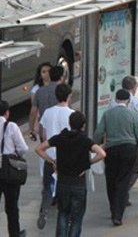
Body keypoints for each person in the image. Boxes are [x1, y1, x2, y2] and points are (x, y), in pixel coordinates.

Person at [35, 111, 106, 237]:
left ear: (69, 123)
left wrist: (52, 161)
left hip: (63, 183)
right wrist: (88, 163)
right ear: (83, 125)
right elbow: (101, 153)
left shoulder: (60, 137)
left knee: (63, 214)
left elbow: (39, 148)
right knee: (76, 218)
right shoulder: (85, 140)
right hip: (78, 183)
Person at [94, 89, 138, 226]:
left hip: (111, 150)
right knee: (123, 181)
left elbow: (98, 132)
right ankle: (118, 215)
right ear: (128, 101)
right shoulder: (132, 114)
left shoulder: (107, 114)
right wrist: (135, 145)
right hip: (128, 150)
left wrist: (97, 144)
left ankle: (113, 209)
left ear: (116, 100)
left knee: (111, 180)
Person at [110, 75, 138, 206]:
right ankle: (122, 191)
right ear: (134, 88)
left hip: (114, 140)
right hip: (132, 142)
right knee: (134, 169)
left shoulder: (113, 102)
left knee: (119, 169)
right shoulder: (136, 102)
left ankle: (123, 195)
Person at [37, 83, 75, 230]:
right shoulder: (72, 114)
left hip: (50, 157)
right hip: (65, 158)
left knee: (47, 186)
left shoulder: (47, 112)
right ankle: (64, 215)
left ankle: (44, 210)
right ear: (69, 96)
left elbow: (44, 135)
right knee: (64, 189)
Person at [0, 100, 28, 237]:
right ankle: (14, 234)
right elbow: (23, 148)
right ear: (7, 113)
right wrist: (15, 154)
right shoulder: (11, 126)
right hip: (9, 171)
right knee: (12, 206)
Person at [32, 65, 65, 138]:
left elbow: (33, 111)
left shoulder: (39, 91)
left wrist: (32, 129)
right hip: (59, 128)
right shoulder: (63, 91)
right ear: (61, 77)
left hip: (43, 128)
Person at [28, 62, 52, 141]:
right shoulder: (36, 89)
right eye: (44, 72)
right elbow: (34, 110)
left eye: (49, 71)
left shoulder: (57, 86)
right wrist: (32, 128)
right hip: (42, 122)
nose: (46, 74)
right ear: (40, 74)